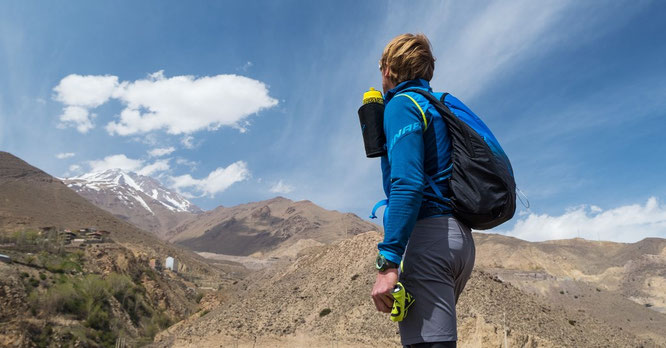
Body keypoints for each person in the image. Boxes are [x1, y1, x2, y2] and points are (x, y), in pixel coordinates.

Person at [370, 33, 476, 348]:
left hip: (430, 238)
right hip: (458, 240)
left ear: (388, 69)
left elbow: (407, 182)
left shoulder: (402, 104)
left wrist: (388, 263)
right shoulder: (436, 106)